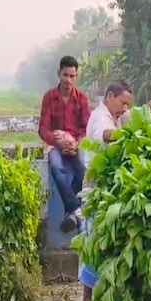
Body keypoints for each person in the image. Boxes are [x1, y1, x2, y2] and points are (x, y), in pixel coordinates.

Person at [77, 80, 132, 301]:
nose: (125, 109)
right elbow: (107, 135)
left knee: (107, 247)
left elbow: (135, 118)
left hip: (110, 189)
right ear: (110, 96)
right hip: (95, 190)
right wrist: (132, 134)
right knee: (93, 245)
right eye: (123, 103)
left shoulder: (117, 116)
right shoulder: (100, 117)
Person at [38, 56, 91, 233]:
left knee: (83, 171)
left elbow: (86, 128)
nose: (68, 80)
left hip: (76, 145)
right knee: (56, 166)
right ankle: (77, 210)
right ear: (59, 74)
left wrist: (76, 143)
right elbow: (43, 129)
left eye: (72, 76)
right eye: (65, 75)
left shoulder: (82, 99)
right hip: (56, 146)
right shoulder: (49, 98)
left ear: (76, 77)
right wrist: (58, 142)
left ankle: (71, 212)